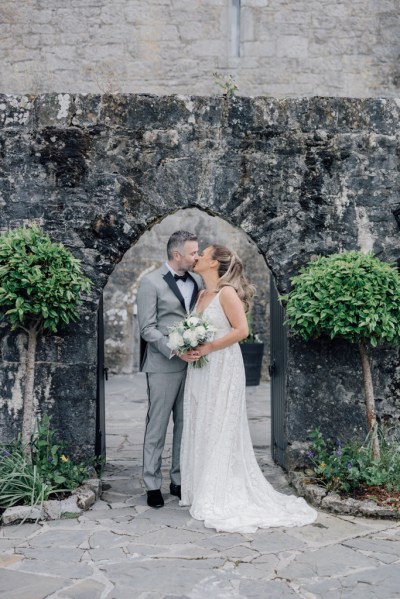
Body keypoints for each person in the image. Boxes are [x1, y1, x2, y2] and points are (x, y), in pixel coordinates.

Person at [179, 245, 318, 533]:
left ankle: (220, 489)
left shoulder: (226, 292)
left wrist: (208, 347)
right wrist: (188, 348)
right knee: (201, 420)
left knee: (219, 422)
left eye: (202, 254)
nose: (197, 257)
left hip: (222, 366)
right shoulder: (201, 294)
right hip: (201, 369)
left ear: (215, 263)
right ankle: (200, 487)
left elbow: (241, 331)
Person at [137, 230, 203, 508]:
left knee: (185, 425)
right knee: (158, 425)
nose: (197, 257)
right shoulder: (150, 282)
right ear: (177, 255)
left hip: (195, 365)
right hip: (163, 365)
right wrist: (175, 348)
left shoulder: (198, 280)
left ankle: (178, 479)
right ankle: (152, 483)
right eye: (193, 253)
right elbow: (147, 328)